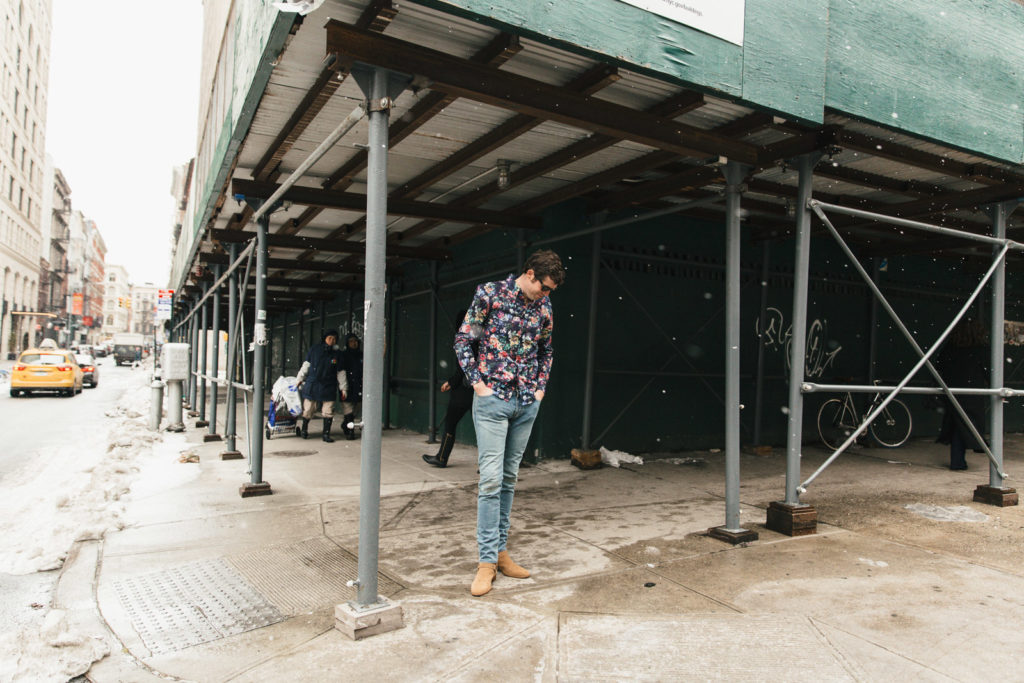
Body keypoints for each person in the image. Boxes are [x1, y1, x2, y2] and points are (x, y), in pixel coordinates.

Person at [454, 249, 565, 597]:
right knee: (490, 480)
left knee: (509, 478)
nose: (545, 295)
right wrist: (478, 384)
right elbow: (464, 340)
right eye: (544, 287)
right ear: (530, 274)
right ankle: (486, 562)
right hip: (493, 400)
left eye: (550, 291)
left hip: (526, 402)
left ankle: (501, 554)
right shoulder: (489, 294)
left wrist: (540, 389)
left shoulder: (544, 307)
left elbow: (547, 351)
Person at [423, 310, 474, 468]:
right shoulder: (481, 337)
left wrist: (452, 382)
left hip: (464, 390)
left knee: (451, 422)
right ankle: (489, 466)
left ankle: (442, 457)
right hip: (480, 390)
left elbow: (464, 367)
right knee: (485, 427)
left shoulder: (464, 339)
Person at [936, 319, 988, 470]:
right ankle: (959, 460)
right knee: (966, 424)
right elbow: (989, 370)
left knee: (957, 424)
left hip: (952, 391)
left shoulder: (950, 349)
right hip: (971, 393)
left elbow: (940, 367)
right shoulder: (980, 349)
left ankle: (959, 459)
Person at [295, 329, 347, 443]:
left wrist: (343, 388)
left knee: (328, 410)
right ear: (325, 338)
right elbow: (306, 365)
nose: (332, 341)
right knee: (308, 409)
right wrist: (299, 379)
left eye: (334, 339)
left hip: (329, 385)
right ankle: (304, 429)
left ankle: (326, 434)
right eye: (330, 338)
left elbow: (341, 372)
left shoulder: (338, 354)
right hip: (313, 384)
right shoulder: (315, 350)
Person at [340, 333, 363, 440]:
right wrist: (343, 387)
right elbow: (341, 371)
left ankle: (346, 424)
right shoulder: (344, 355)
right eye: (351, 341)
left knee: (357, 407)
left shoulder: (361, 354)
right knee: (348, 407)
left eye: (355, 341)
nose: (354, 343)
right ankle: (350, 430)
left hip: (359, 384)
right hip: (348, 384)